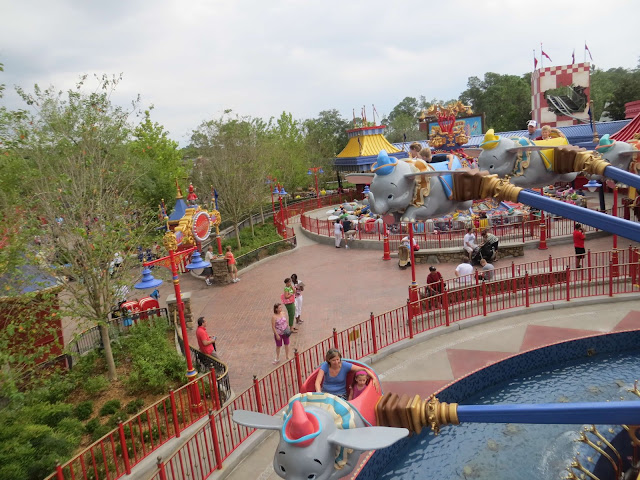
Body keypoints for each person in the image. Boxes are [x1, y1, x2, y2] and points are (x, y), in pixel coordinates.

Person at [314, 348, 379, 400]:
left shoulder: (345, 365)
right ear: (329, 360)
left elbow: (363, 369)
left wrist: (374, 377)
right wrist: (318, 391)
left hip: (340, 394)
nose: (336, 362)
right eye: (333, 360)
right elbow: (318, 381)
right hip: (326, 393)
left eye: (337, 359)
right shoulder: (325, 366)